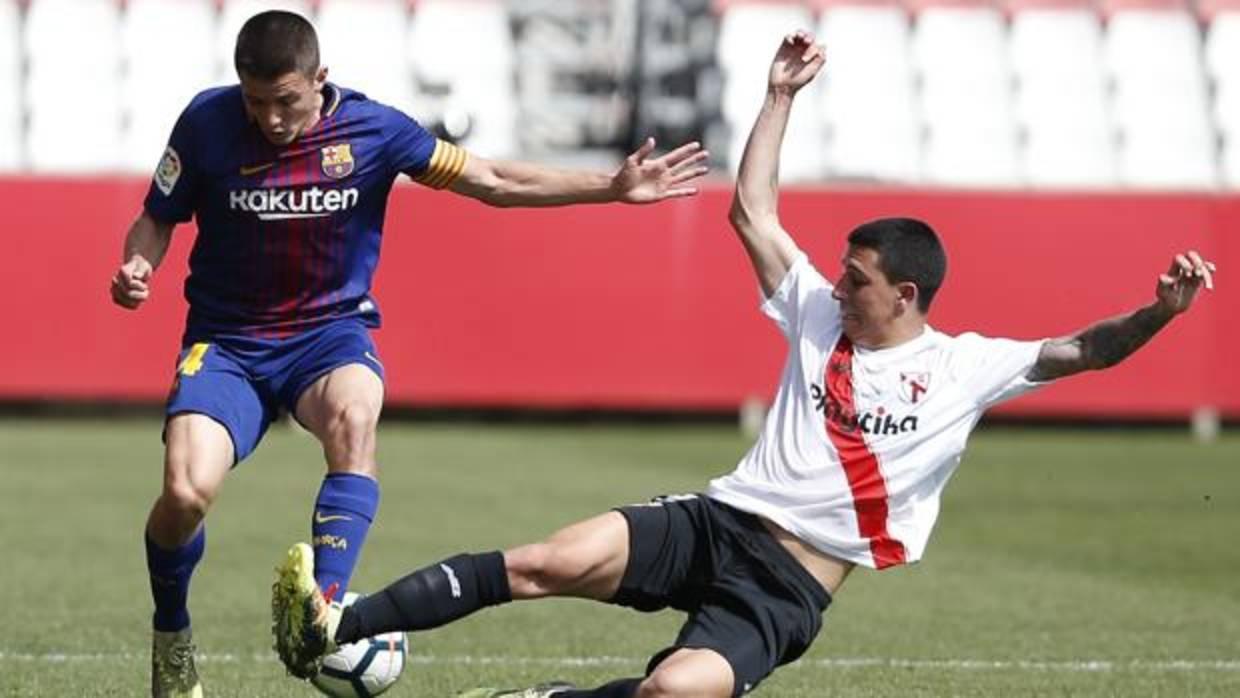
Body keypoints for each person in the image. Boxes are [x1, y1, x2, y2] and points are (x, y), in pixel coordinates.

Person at [270, 31, 1218, 697]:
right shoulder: (815, 312)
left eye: (858, 279)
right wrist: (777, 98)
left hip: (790, 590)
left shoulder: (966, 367)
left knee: (671, 694)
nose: (838, 286)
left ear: (909, 296)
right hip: (718, 522)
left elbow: (1085, 350)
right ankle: (333, 625)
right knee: (542, 561)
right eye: (841, 272)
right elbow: (752, 212)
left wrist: (1162, 313)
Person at [110, 10, 709, 698]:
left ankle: (321, 612)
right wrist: (138, 265)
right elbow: (159, 214)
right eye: (256, 102)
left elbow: (493, 180)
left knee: (354, 418)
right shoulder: (206, 123)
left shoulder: (375, 131)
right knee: (185, 493)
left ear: (320, 79)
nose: (271, 119)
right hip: (228, 341)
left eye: (286, 101)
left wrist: (611, 187)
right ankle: (172, 632)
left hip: (325, 334)